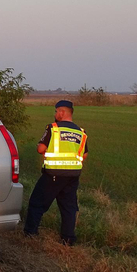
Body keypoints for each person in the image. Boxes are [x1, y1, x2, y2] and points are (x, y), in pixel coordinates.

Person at [24, 100, 88, 245]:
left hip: (53, 174)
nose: (55, 114)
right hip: (73, 176)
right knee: (68, 208)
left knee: (37, 203)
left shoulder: (53, 128)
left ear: (62, 112)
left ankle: (30, 234)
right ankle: (68, 239)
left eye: (56, 111)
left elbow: (41, 149)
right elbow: (84, 155)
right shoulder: (81, 132)